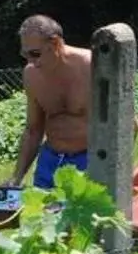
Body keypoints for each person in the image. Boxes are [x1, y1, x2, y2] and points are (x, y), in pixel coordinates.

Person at [10, 15, 91, 189]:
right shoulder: (31, 74)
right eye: (25, 54)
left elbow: (128, 125)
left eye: (35, 54)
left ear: (55, 43)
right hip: (50, 160)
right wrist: (16, 178)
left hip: (88, 160)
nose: (31, 61)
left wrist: (109, 168)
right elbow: (33, 130)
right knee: (40, 215)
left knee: (81, 216)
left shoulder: (91, 66)